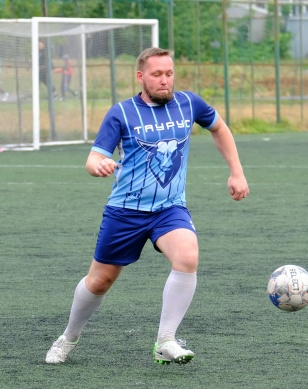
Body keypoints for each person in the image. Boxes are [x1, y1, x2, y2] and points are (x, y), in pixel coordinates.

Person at [45, 47, 249, 365]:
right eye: (157, 74)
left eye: (169, 73)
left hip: (169, 209)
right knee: (100, 281)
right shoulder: (121, 113)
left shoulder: (189, 104)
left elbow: (219, 128)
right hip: (125, 211)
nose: (165, 80)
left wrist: (236, 172)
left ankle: (165, 341)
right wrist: (99, 165)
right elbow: (94, 158)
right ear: (141, 77)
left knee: (187, 255)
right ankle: (68, 337)